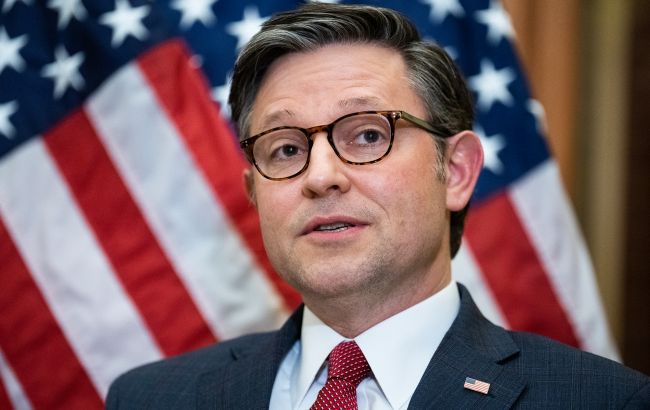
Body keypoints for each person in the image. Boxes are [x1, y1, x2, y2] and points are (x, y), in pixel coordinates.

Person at [106, 3, 649, 409]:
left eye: (368, 135)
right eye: (287, 149)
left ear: (456, 171)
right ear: (254, 194)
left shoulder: (602, 400)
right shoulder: (151, 399)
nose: (321, 176)